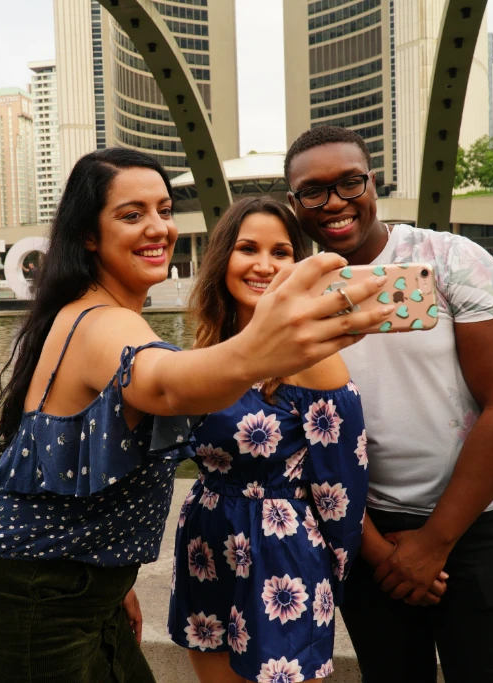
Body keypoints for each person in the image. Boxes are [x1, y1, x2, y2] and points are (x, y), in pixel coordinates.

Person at [0, 149, 391, 683]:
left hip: (73, 588)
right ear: (88, 235)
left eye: (165, 210)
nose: (157, 229)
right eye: (131, 215)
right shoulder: (103, 323)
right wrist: (264, 347)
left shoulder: (98, 314)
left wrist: (112, 577)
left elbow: (72, 464)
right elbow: (166, 385)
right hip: (29, 601)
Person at [285, 125, 493, 683]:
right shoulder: (293, 293)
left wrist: (435, 541)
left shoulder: (450, 259)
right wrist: (376, 548)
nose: (336, 203)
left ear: (373, 182)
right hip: (365, 527)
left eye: (351, 182)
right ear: (294, 203)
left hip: (480, 523)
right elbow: (300, 434)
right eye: (314, 191)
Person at [168, 197, 412, 682]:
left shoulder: (313, 358)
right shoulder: (207, 347)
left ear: (298, 267)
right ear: (223, 260)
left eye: (281, 252)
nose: (263, 265)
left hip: (281, 554)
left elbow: (342, 482)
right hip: (207, 545)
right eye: (247, 249)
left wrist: (333, 569)